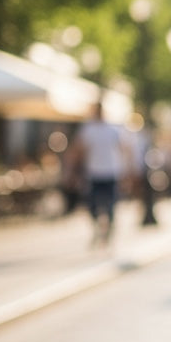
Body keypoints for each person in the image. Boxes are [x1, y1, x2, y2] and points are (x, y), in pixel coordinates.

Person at [66, 101, 131, 247]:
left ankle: (108, 231)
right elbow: (78, 150)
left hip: (111, 172)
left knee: (111, 205)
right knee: (92, 205)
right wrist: (72, 170)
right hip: (94, 173)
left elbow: (124, 149)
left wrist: (127, 169)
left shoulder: (113, 130)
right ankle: (98, 228)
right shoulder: (88, 130)